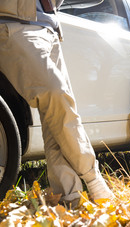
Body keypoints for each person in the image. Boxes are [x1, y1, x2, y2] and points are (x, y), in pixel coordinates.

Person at [0, 0, 114, 205]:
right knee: (56, 94)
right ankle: (93, 178)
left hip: (50, 30)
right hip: (12, 24)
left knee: (55, 113)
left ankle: (69, 198)